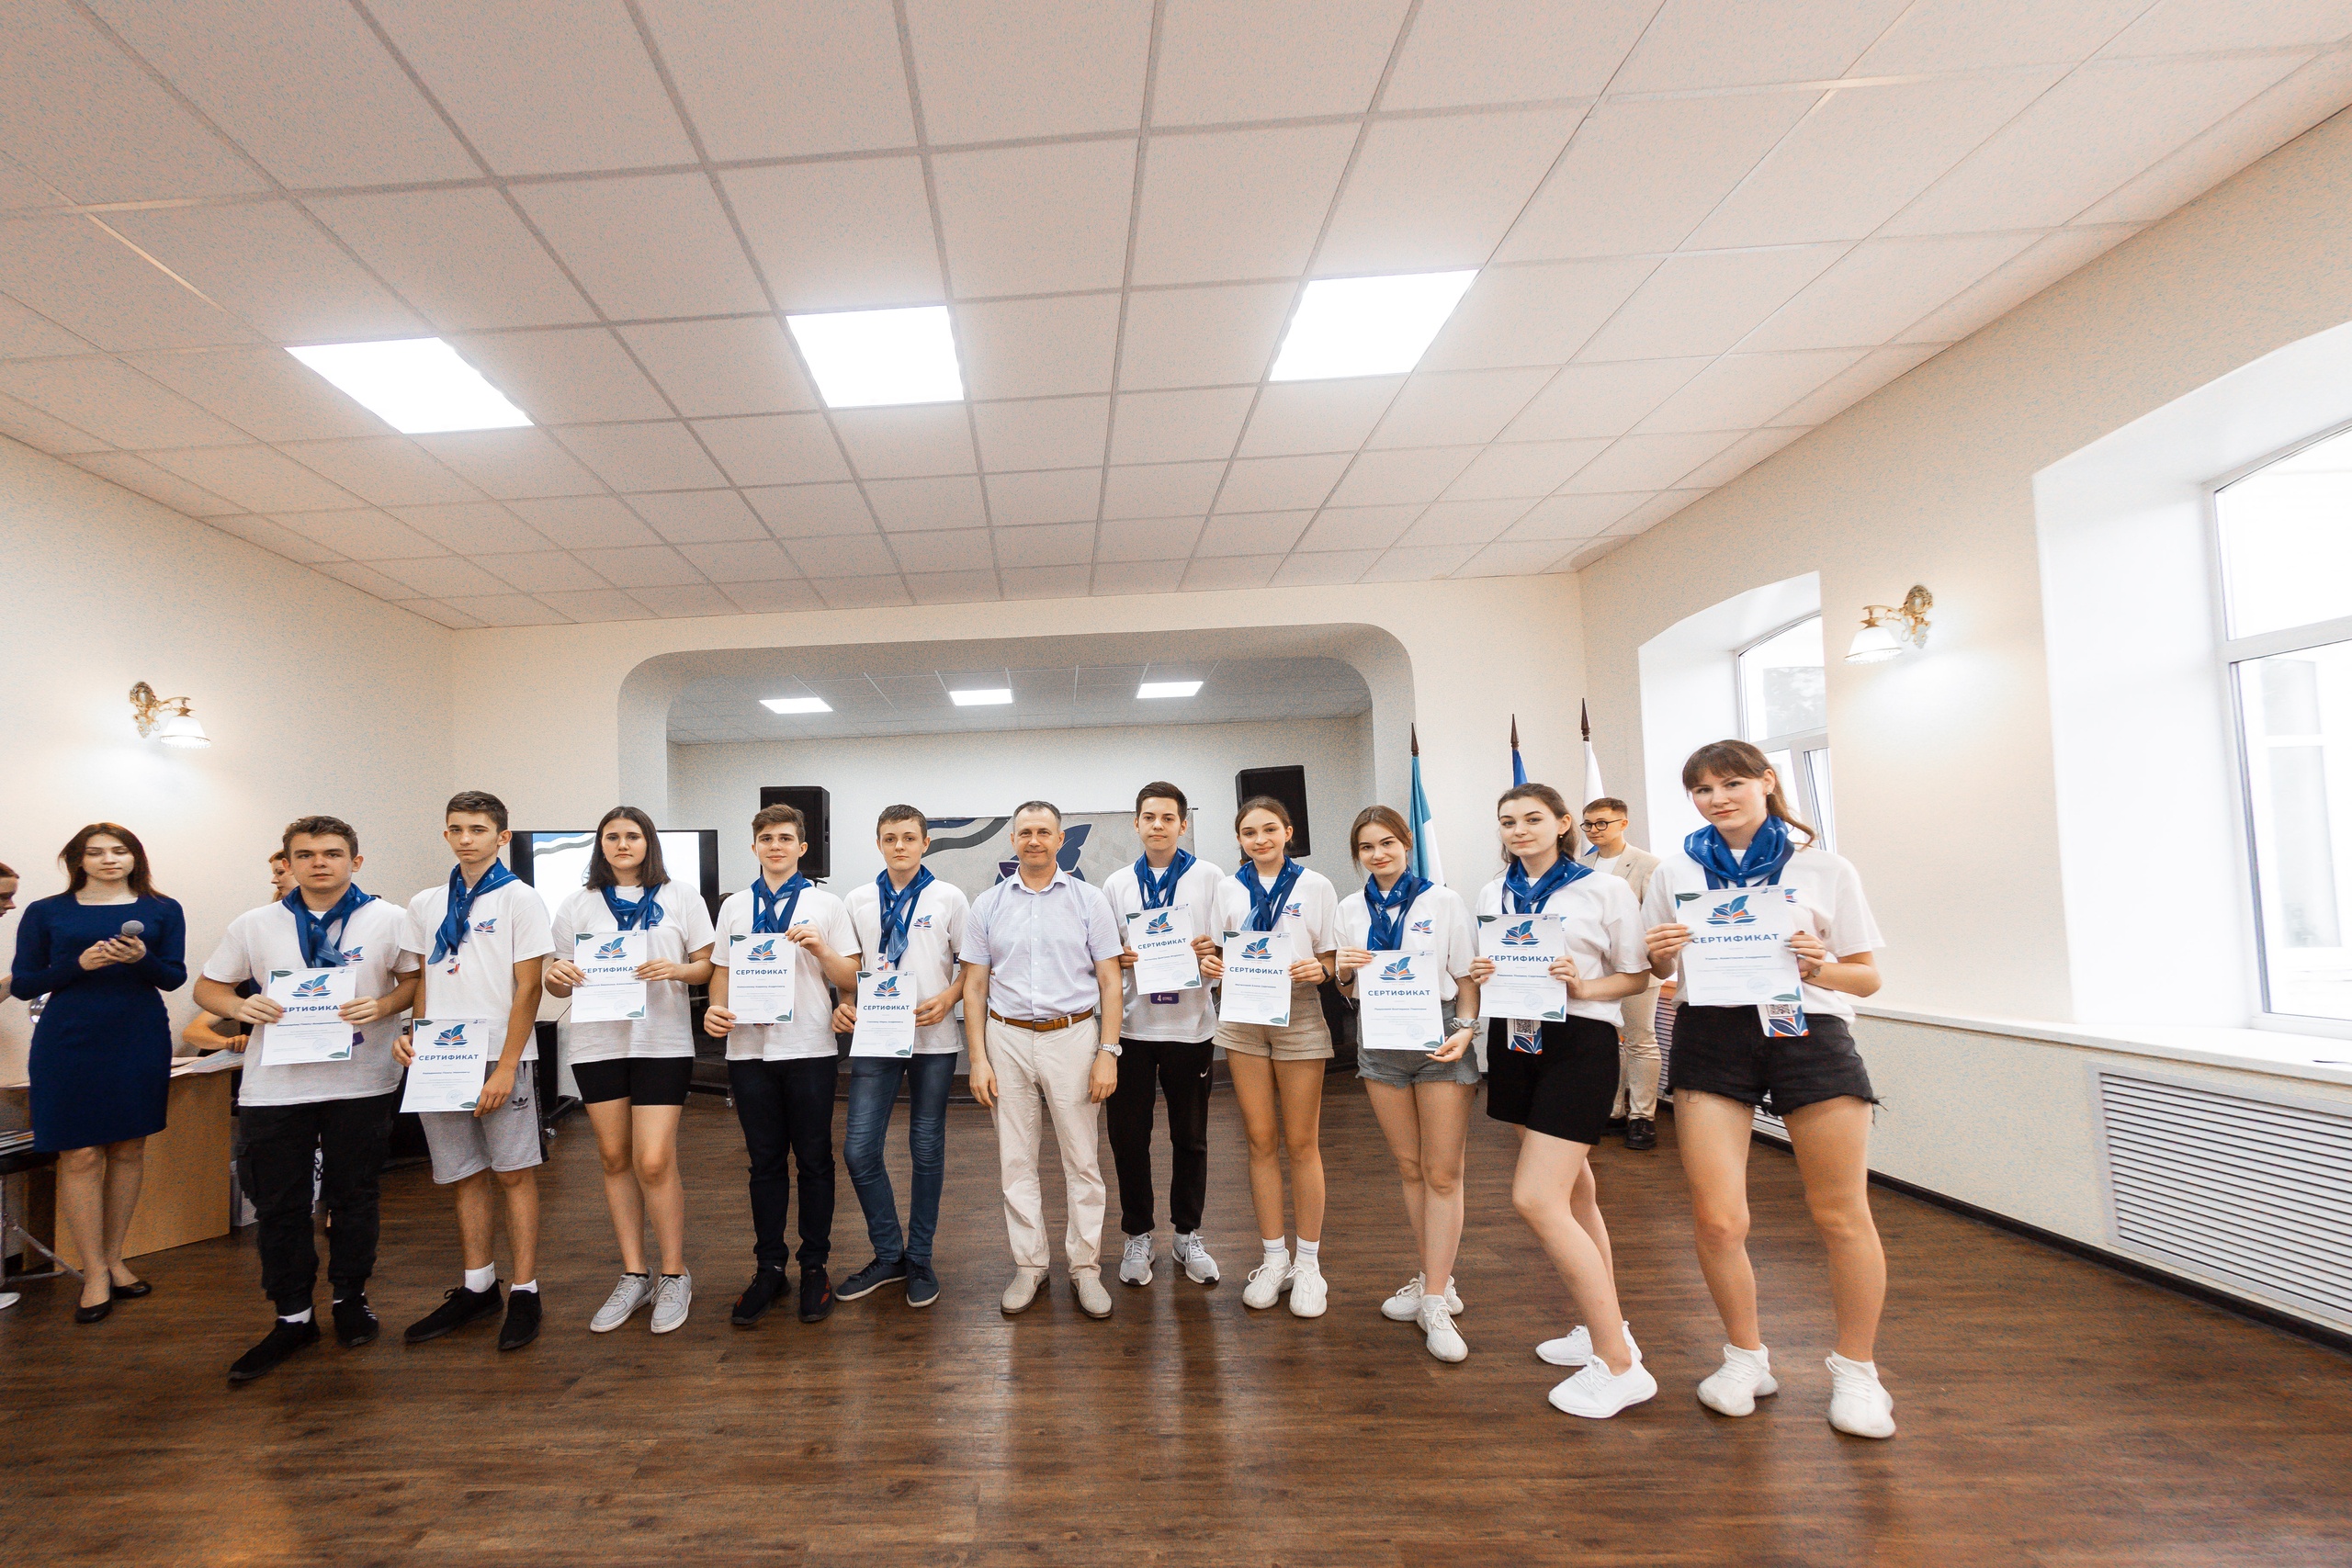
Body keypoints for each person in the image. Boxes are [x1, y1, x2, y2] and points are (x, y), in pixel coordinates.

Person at [1642, 739, 1894, 1439]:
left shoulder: (1823, 867)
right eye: (1702, 789)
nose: (1717, 799)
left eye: (1731, 783)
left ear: (1766, 781)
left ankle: (1858, 1370)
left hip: (1807, 1031)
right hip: (1711, 1033)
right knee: (1718, 1219)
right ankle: (1745, 1356)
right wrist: (1660, 953)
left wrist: (1819, 965)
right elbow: (1659, 968)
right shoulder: (1675, 870)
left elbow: (1867, 976)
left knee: (1840, 1214)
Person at [195, 816, 417, 1381]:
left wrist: (384, 1006)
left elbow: (415, 981)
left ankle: (350, 1300)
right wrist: (238, 1007)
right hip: (276, 1086)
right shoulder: (255, 923)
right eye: (306, 854)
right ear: (288, 863)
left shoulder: (390, 919)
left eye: (332, 853)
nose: (320, 863)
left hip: (361, 1082)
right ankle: (292, 1316)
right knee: (279, 1205)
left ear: (355, 862)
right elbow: (208, 987)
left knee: (355, 1197)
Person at [1471, 784, 1656, 1418]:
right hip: (1515, 1039)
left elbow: (1637, 974)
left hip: (1579, 1042)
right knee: (1577, 1193)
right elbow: (1491, 965)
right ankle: (1604, 1325)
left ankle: (1620, 1363)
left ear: (1562, 823)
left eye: (1532, 818)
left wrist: (1585, 985)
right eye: (1508, 821)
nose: (1519, 830)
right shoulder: (1492, 893)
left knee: (1535, 1197)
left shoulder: (1602, 889)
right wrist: (1482, 977)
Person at [393, 791, 554, 1353]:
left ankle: (526, 1290)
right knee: (463, 1174)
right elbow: (423, 980)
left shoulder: (520, 899)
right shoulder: (425, 902)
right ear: (446, 835)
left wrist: (507, 1066)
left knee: (513, 1172)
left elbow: (528, 988)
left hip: (499, 1055)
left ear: (501, 837)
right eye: (457, 829)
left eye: (479, 829)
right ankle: (478, 1285)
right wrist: (414, 1036)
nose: (466, 839)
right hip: (442, 1056)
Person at [545, 807, 714, 1336]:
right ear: (600, 844)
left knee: (654, 1160)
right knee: (614, 1157)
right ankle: (635, 1273)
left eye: (632, 836)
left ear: (649, 842)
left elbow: (707, 966)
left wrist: (676, 969)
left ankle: (674, 1273)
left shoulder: (680, 896)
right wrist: (559, 974)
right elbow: (554, 981)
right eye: (612, 836)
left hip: (661, 1042)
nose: (622, 844)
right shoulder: (578, 904)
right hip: (598, 1044)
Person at [12, 825, 186, 1325]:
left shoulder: (162, 908)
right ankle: (92, 1273)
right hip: (68, 1041)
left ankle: (115, 1259)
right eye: (95, 852)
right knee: (81, 1153)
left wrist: (144, 959)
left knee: (129, 1148)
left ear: (135, 858)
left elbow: (174, 976)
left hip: (138, 1036)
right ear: (78, 860)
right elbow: (24, 984)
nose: (109, 859)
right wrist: (77, 964)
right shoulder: (46, 911)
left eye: (120, 851)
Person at [959, 801, 1124, 1320]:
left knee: (1083, 1161)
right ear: (1013, 840)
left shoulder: (1088, 900)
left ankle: (1085, 1268)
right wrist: (978, 1058)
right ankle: (1030, 1265)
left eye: (1044, 832)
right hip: (1005, 1039)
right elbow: (974, 987)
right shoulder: (987, 904)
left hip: (1073, 1037)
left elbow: (1111, 982)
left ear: (1060, 840)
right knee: (1015, 1161)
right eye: (1025, 832)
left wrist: (1108, 1053)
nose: (1034, 840)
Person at [1334, 806, 1481, 1362]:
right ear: (1358, 855)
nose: (1379, 854)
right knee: (1410, 1168)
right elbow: (1347, 989)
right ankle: (1432, 1278)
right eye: (1367, 847)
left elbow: (1465, 979)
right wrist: (1343, 971)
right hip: (1380, 1039)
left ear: (1407, 845)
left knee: (1443, 1172)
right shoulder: (1350, 908)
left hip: (1438, 1035)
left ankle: (1437, 1299)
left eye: (1388, 843)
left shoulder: (1442, 901)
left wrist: (1466, 1031)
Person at [706, 803, 858, 1326]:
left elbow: (851, 978)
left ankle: (814, 1266)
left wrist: (821, 949)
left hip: (809, 1047)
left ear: (802, 847)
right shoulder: (734, 906)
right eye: (767, 838)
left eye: (785, 838)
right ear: (754, 846)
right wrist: (714, 1008)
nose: (776, 846)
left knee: (814, 1161)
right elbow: (720, 970)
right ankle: (769, 1268)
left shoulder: (826, 904)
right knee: (764, 1164)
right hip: (748, 1051)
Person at [1201, 795, 1340, 1318]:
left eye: (1268, 830)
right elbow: (1217, 949)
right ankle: (1273, 1258)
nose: (1259, 840)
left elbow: (1330, 955)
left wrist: (1321, 970)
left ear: (1288, 832)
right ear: (1239, 839)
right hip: (1242, 1013)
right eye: (1248, 832)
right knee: (1260, 1140)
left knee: (1302, 1142)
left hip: (1298, 1010)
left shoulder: (1316, 885)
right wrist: (1210, 963)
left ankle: (1309, 1264)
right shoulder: (1227, 887)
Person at [833, 806, 967, 1311]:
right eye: (890, 838)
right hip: (875, 1036)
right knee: (859, 1150)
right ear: (879, 844)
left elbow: (973, 966)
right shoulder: (858, 900)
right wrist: (844, 1004)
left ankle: (921, 1258)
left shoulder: (949, 897)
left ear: (926, 843)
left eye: (909, 837)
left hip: (933, 1038)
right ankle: (889, 1255)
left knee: (926, 1148)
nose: (900, 846)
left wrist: (949, 999)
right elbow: (850, 970)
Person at [1099, 782, 1223, 1291]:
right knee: (1129, 1138)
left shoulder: (1210, 877)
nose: (1158, 825)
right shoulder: (1116, 884)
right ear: (1136, 823)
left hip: (1191, 1029)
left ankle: (1188, 1235)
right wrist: (1121, 958)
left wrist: (1210, 953)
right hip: (1131, 1028)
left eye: (1168, 818)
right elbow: (1103, 958)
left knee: (1190, 1138)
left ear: (1182, 824)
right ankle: (1138, 1234)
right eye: (1149, 817)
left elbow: (1227, 946)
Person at [1580, 798, 1664, 1151]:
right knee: (1608, 1041)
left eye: (1602, 823)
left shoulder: (1648, 864)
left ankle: (1642, 1116)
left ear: (1623, 823)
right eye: (1588, 824)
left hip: (1636, 967)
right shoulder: (1580, 865)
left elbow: (1655, 918)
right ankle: (1612, 1109)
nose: (1594, 830)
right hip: (1597, 970)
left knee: (1640, 1039)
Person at [179, 851, 292, 1058]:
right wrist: (232, 1042)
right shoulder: (249, 976)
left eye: (280, 872)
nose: (274, 880)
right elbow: (193, 1031)